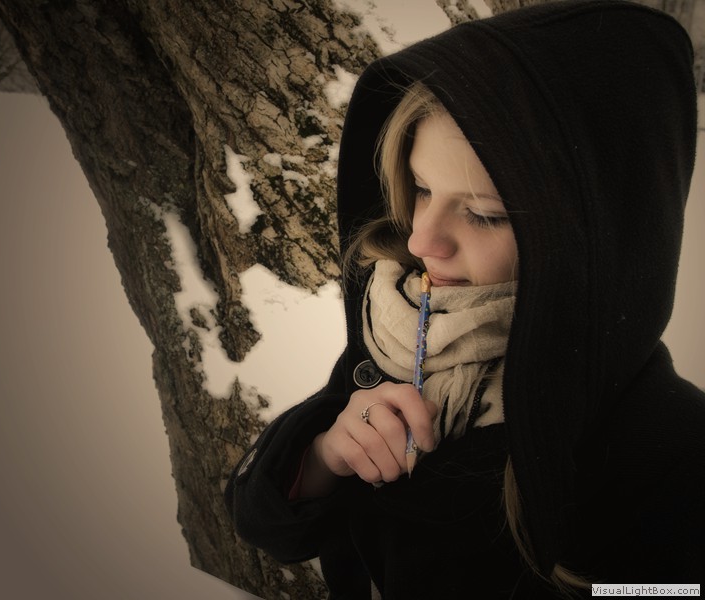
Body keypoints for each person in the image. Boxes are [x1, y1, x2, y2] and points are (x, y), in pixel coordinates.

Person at [224, 1, 705, 597]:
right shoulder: (402, 332)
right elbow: (263, 523)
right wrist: (324, 458)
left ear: (596, 240)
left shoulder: (672, 457)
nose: (421, 240)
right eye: (423, 188)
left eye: (483, 214)